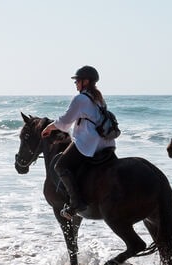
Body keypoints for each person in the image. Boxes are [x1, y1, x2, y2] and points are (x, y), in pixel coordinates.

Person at [41, 65, 116, 220]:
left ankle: (76, 203)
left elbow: (65, 121)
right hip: (106, 143)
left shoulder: (81, 99)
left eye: (77, 81)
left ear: (86, 82)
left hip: (88, 142)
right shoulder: (99, 99)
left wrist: (49, 127)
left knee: (60, 165)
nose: (75, 84)